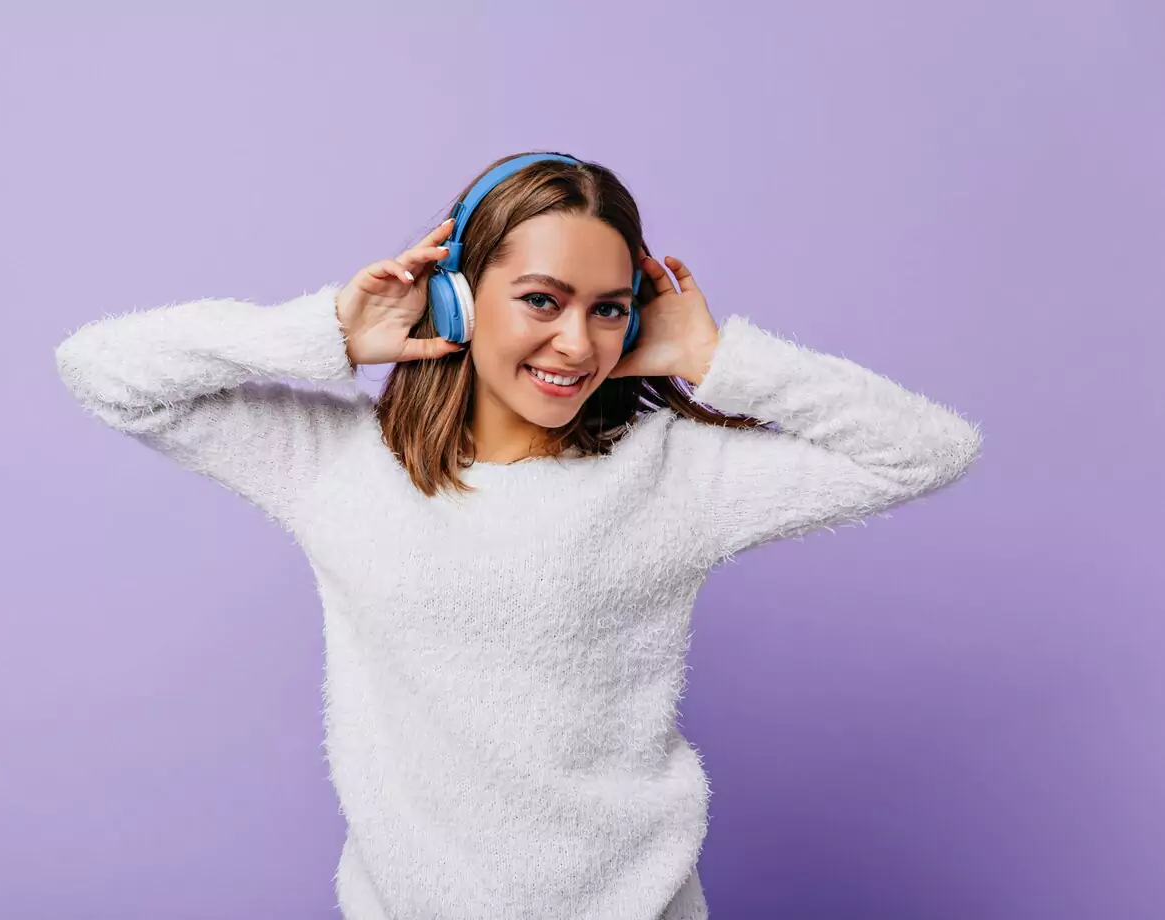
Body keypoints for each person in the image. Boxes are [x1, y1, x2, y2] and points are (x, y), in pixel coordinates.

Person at [53, 151, 983, 920]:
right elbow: (102, 370)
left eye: (608, 308)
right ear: (455, 296)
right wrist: (329, 329)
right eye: (542, 299)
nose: (578, 344)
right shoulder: (335, 460)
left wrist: (715, 359)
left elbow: (929, 450)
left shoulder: (673, 473)